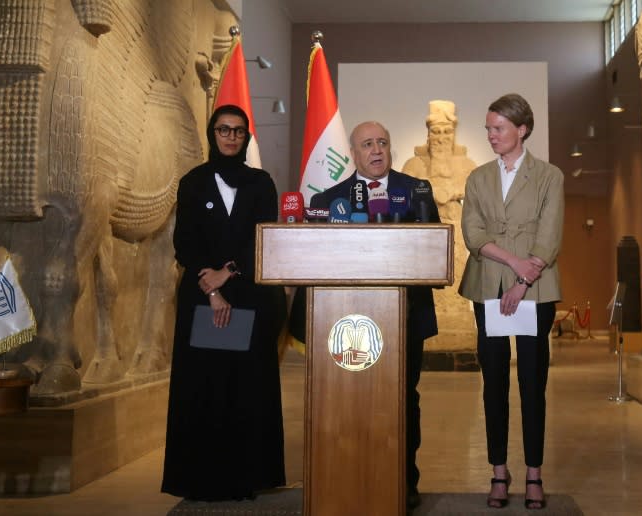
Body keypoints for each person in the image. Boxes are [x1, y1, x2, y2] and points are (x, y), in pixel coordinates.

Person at [289, 121, 439, 511]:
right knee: (344, 402)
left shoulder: (416, 189)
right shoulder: (328, 198)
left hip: (405, 318)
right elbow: (315, 259)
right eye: (367, 144)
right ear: (353, 154)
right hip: (343, 323)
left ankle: (404, 480)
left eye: (383, 143)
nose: (376, 150)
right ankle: (341, 476)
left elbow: (433, 247)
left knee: (404, 400)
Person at [161, 104, 287, 501]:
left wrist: (228, 273)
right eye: (223, 130)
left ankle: (246, 477)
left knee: (245, 387)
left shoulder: (261, 182)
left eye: (237, 131)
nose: (230, 137)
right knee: (204, 386)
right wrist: (213, 290)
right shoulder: (193, 182)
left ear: (246, 137)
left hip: (250, 296)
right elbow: (186, 242)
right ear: (212, 134)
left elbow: (265, 236)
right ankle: (201, 480)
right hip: (203, 299)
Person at [458, 94, 563, 510]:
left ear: (522, 130)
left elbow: (550, 233)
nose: (490, 136)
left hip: (536, 291)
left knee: (533, 383)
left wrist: (523, 277)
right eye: (488, 128)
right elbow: (473, 233)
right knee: (494, 383)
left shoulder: (549, 176)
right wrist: (512, 264)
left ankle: (535, 474)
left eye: (497, 128)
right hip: (487, 287)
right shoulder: (478, 177)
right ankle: (499, 471)